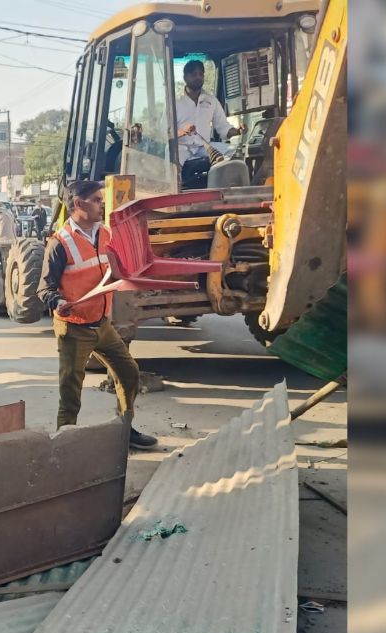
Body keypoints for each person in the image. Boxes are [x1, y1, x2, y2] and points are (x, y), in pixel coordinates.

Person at [35, 180, 159, 451]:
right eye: (96, 199)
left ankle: (124, 429)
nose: (102, 204)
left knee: (128, 372)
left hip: (102, 324)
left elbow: (115, 268)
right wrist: (58, 302)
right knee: (71, 392)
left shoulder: (105, 234)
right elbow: (45, 288)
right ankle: (64, 444)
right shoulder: (60, 243)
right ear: (78, 204)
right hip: (74, 327)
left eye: (101, 199)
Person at [175, 59, 243, 187]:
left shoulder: (211, 100)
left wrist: (237, 131)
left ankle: (227, 187)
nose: (198, 77)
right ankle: (177, 192)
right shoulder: (175, 101)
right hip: (181, 147)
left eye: (201, 74)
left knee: (233, 151)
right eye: (194, 74)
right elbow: (164, 131)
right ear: (185, 77)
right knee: (171, 164)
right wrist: (182, 131)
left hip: (203, 147)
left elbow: (223, 127)